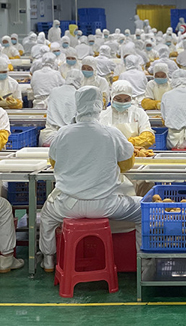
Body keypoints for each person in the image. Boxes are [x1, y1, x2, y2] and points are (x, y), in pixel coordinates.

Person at [39, 86, 142, 272]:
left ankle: (48, 260)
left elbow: (54, 163)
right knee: (143, 210)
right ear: (99, 105)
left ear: (77, 105)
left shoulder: (62, 133)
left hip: (68, 204)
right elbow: (127, 164)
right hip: (105, 204)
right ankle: (143, 263)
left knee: (46, 216)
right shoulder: (111, 133)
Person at [99, 81, 155, 158]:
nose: (122, 103)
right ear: (112, 97)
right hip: (110, 156)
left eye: (126, 100)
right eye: (118, 99)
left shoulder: (139, 113)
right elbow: (101, 140)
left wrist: (127, 144)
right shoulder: (103, 115)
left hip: (135, 155)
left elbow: (148, 136)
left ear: (131, 98)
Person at [39, 70, 83, 146]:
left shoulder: (54, 91)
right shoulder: (79, 95)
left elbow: (45, 104)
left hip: (49, 136)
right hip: (70, 137)